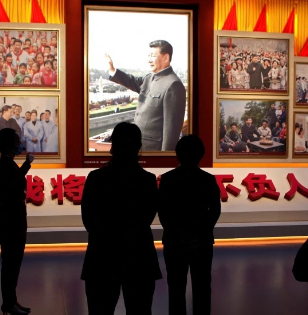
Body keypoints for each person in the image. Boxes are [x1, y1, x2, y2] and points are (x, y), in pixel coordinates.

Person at [81, 122, 161, 315]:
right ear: (138, 147)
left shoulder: (96, 178)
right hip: (139, 255)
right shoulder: (147, 180)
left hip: (102, 256)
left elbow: (89, 219)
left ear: (112, 146)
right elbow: (146, 217)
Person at [158, 135, 221, 315]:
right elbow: (214, 211)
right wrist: (199, 236)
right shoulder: (208, 180)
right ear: (200, 154)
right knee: (202, 288)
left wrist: (179, 236)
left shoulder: (168, 179)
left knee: (176, 289)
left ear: (178, 154)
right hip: (202, 242)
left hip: (174, 242)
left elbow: (163, 212)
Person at [106, 40, 186, 151]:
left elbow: (171, 130)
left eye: (153, 56)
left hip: (153, 151)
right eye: (149, 55)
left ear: (166, 58)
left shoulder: (173, 85)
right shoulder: (149, 77)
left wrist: (164, 158)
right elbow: (132, 81)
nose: (149, 60)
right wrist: (113, 70)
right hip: (138, 148)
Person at [0, 128, 35, 315]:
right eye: (17, 141)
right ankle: (8, 303)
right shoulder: (4, 165)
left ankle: (11, 301)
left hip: (10, 218)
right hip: (11, 219)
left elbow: (16, 179)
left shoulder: (5, 164)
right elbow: (16, 184)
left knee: (12, 264)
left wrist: (26, 164)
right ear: (10, 145)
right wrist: (26, 165)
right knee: (11, 264)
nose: (19, 144)